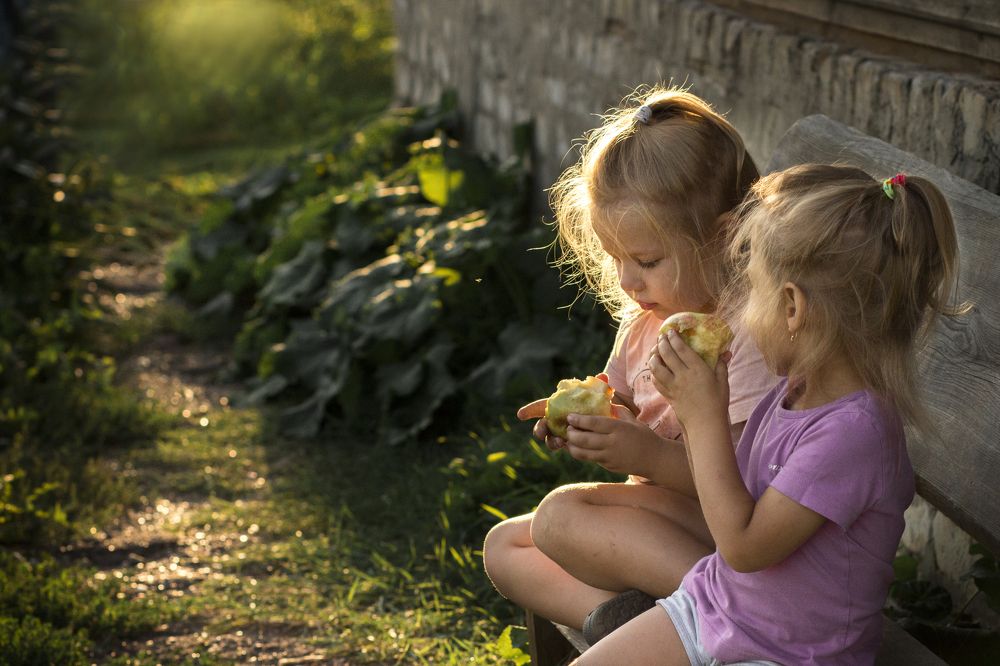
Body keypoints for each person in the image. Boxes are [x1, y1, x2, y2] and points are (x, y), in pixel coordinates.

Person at [574, 165, 965, 664]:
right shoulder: (793, 391)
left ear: (792, 308)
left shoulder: (854, 433)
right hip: (715, 608)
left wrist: (702, 416)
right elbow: (730, 508)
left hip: (792, 653)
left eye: (750, 289)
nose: (738, 308)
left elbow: (743, 547)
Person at [481, 85, 776, 640]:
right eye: (615, 258)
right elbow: (625, 406)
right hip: (661, 530)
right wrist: (592, 423)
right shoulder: (645, 322)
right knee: (506, 546)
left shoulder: (747, 340)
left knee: (559, 518)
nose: (625, 281)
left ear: (723, 237)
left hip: (729, 539)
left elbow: (751, 492)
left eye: (645, 260)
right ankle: (628, 621)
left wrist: (647, 454)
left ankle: (738, 619)